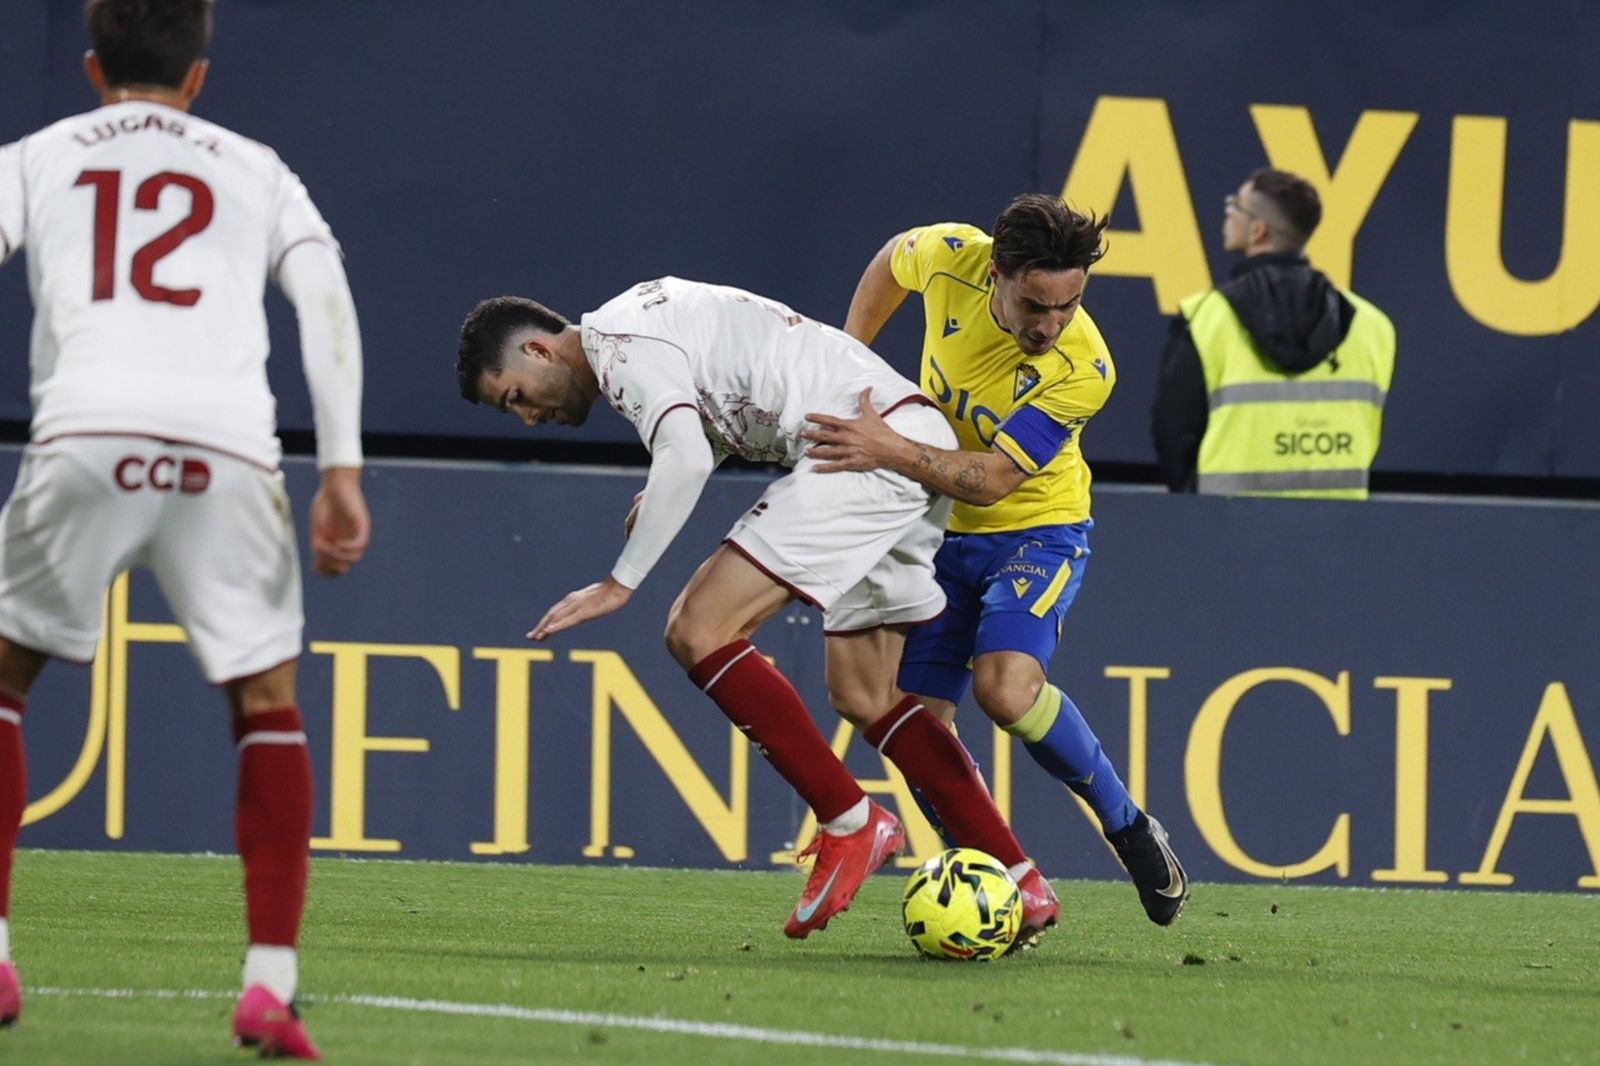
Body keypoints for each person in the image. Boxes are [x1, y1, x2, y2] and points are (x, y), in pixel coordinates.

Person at [454, 277, 1061, 944]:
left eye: (515, 397)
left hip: (857, 451)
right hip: (902, 438)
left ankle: (851, 823)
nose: (527, 417)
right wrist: (668, 477)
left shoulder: (616, 346)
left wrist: (618, 584)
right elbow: (734, 391)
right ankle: (1020, 878)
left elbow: (685, 453)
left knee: (696, 629)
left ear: (539, 350)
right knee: (867, 694)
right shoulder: (638, 318)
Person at [0, 0, 370, 1056]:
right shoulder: (256, 168)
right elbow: (325, 299)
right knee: (266, 699)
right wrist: (341, 469)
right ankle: (269, 985)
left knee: (5, 678)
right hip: (229, 445)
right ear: (198, 75)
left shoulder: (38, 155)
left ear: (91, 66)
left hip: (87, 427)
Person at [805, 193, 1189, 926]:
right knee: (917, 725)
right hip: (938, 532)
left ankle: (1131, 829)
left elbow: (993, 479)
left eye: (1069, 306)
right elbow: (890, 260)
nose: (1051, 326)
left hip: (1036, 530)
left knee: (1006, 690)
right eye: (1036, 306)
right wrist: (848, 358)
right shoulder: (951, 255)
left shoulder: (1084, 367)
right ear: (996, 276)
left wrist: (885, 445)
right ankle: (1001, 883)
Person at [1151, 167, 1396, 498]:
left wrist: (1196, 502)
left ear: (1259, 231)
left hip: (1226, 520)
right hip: (1338, 521)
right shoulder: (1372, 325)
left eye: (1235, 206)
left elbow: (1173, 429)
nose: (1227, 214)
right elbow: (1368, 429)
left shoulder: (1206, 317)